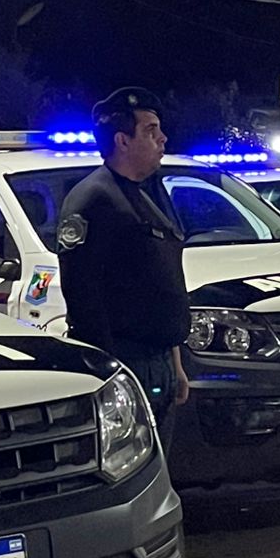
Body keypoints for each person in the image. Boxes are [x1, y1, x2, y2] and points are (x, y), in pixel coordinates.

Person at [56, 86, 191, 426]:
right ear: (122, 141)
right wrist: (110, 374)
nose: (162, 138)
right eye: (150, 130)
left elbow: (165, 281)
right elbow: (83, 294)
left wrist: (175, 364)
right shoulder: (94, 199)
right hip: (126, 362)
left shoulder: (150, 192)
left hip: (159, 359)